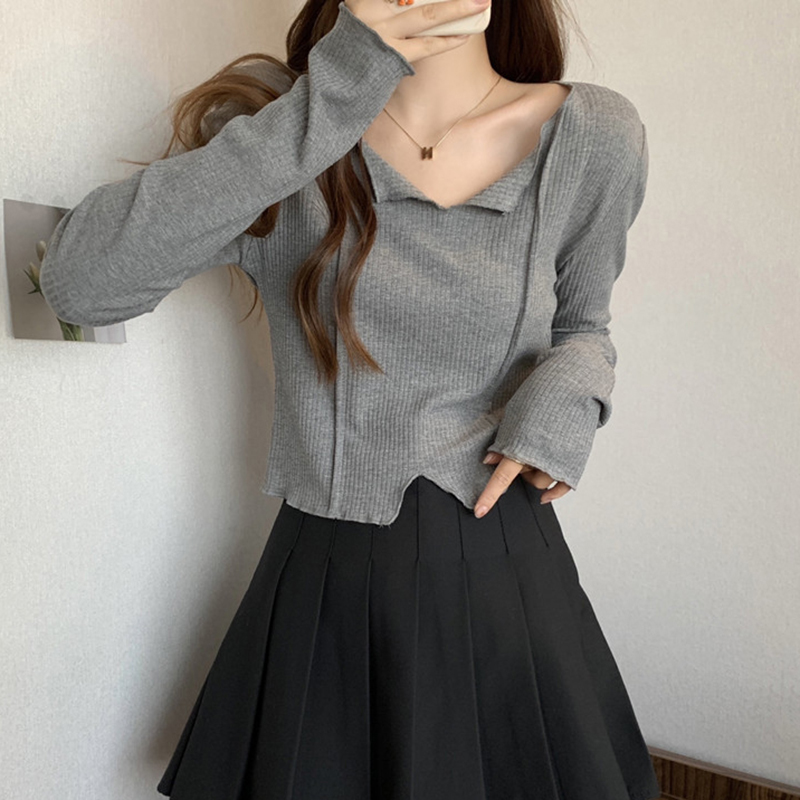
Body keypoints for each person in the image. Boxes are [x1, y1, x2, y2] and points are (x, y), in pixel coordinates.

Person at [39, 0, 659, 797]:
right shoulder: (282, 123)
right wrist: (338, 90)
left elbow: (584, 329)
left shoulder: (592, 134)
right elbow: (80, 285)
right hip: (328, 577)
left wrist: (564, 404)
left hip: (506, 571)